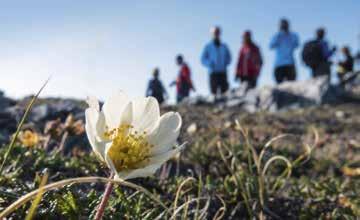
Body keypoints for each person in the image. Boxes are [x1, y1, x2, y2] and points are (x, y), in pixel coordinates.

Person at [201, 26, 231, 100]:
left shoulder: (224, 46)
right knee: (213, 94)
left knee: (224, 93)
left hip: (223, 72)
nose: (216, 34)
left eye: (218, 32)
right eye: (215, 33)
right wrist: (209, 64)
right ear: (212, 34)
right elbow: (203, 59)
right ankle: (215, 109)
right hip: (213, 73)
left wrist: (225, 63)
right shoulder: (208, 46)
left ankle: (225, 109)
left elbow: (229, 57)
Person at [270, 19, 299, 84]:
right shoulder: (277, 36)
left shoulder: (293, 35)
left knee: (292, 85)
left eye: (285, 24)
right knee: (279, 86)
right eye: (282, 25)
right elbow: (271, 46)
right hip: (279, 64)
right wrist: (279, 35)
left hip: (290, 63)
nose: (284, 26)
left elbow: (296, 44)